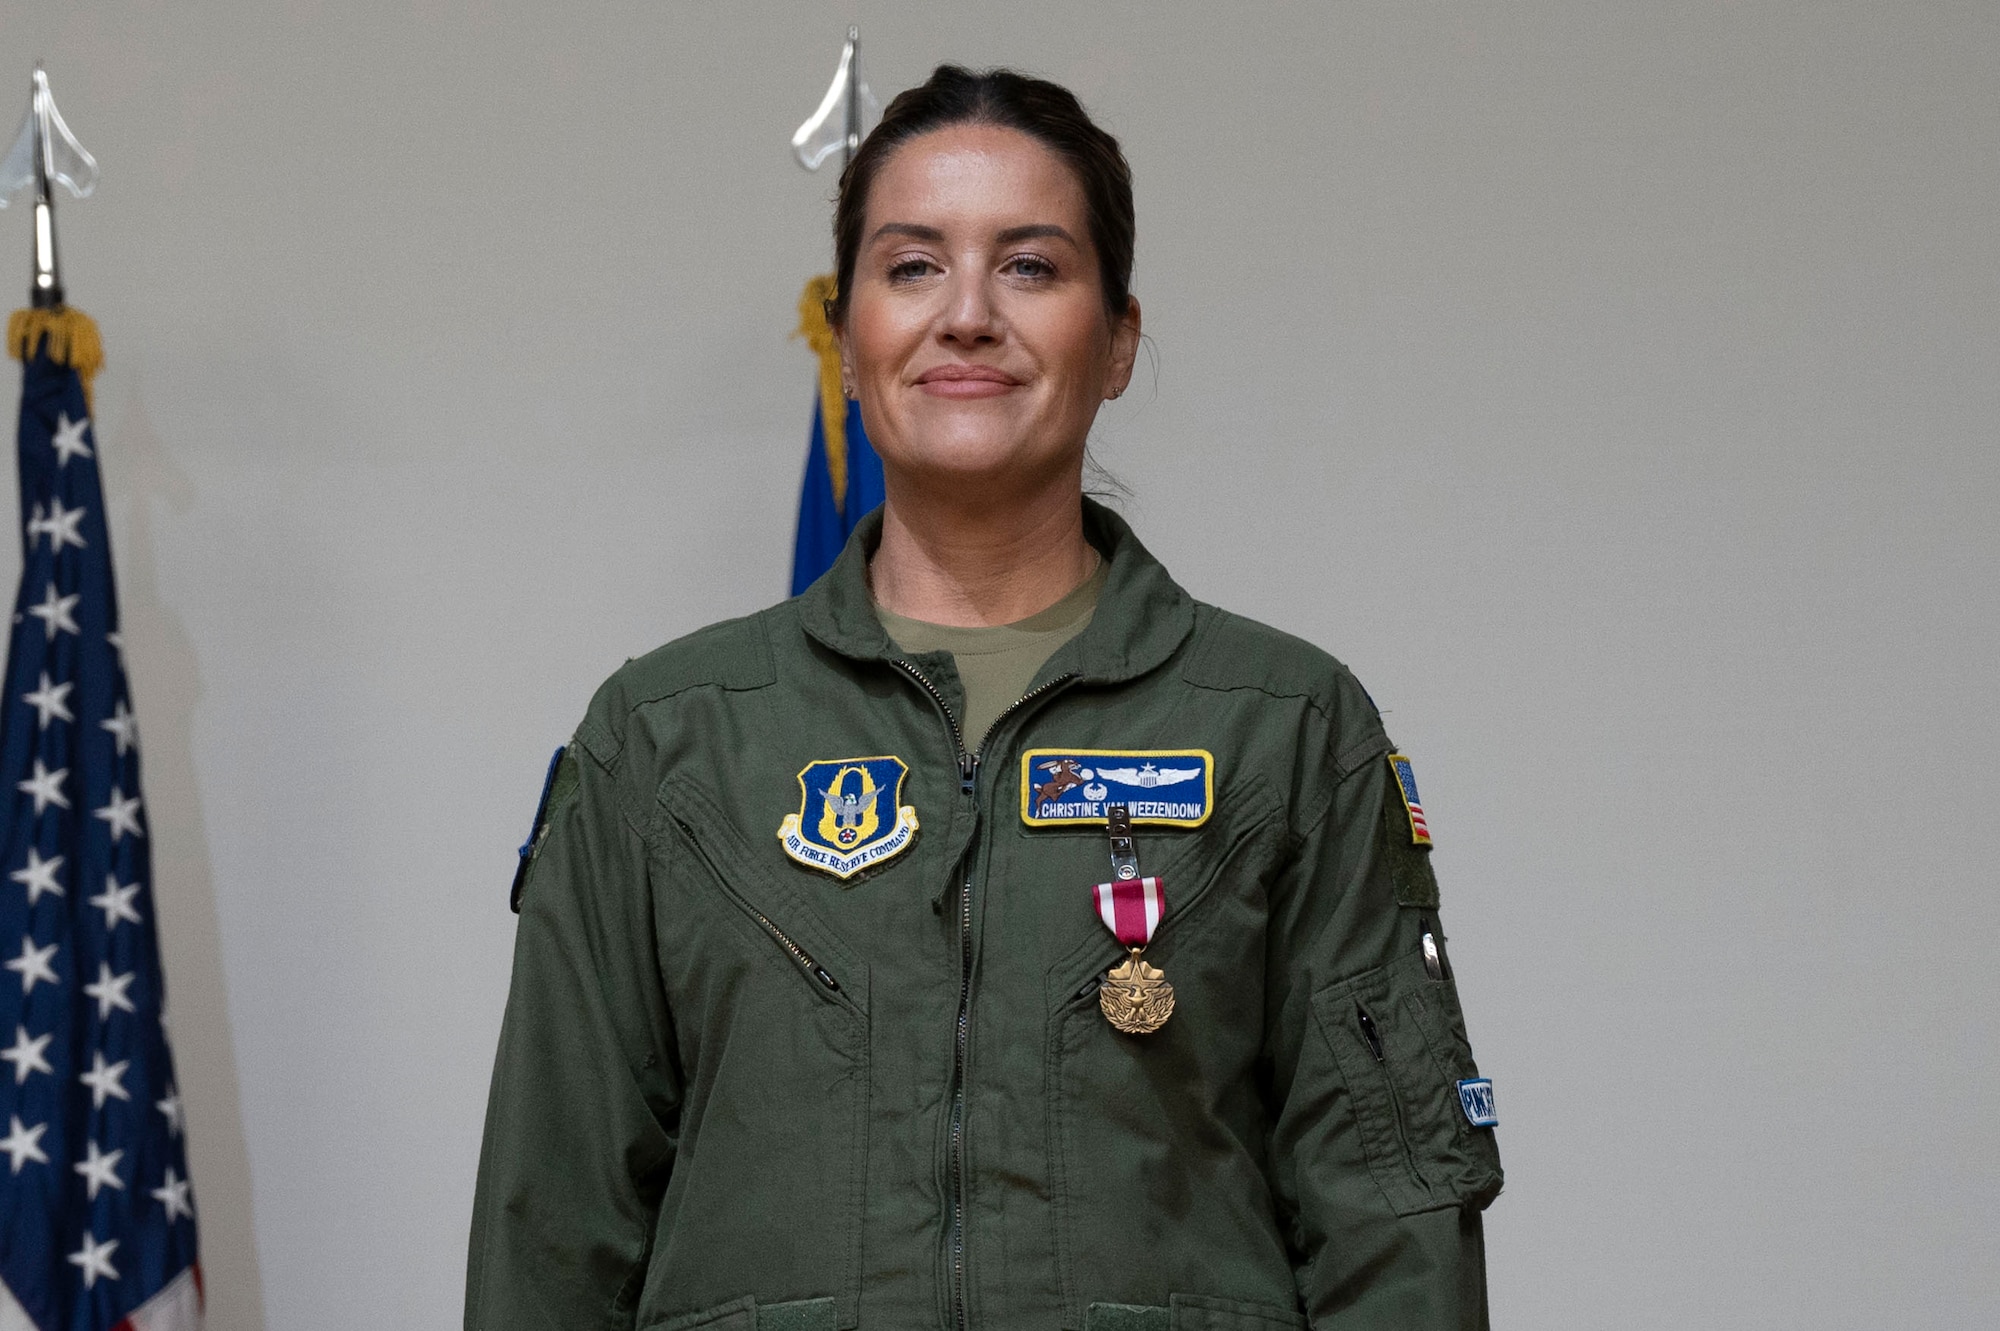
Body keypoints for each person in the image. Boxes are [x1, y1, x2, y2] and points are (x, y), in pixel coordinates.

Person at [466, 65, 1502, 1331]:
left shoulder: (1285, 726)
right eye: (911, 267)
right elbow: (551, 1235)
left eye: (1028, 266)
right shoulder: (667, 735)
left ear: (1116, 338)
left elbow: (1391, 1226)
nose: (965, 315)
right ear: (845, 336)